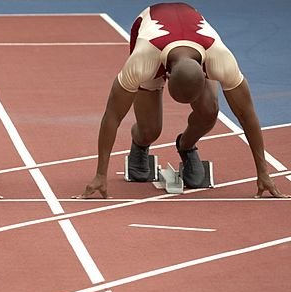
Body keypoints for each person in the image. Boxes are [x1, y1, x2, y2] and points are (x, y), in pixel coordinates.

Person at [76, 2, 288, 199]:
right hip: (152, 34)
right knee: (150, 130)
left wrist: (264, 173)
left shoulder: (222, 59)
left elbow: (246, 114)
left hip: (193, 40)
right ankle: (140, 145)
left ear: (206, 76)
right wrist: (100, 175)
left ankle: (186, 146)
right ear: (166, 77)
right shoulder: (142, 60)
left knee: (209, 110)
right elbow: (113, 114)